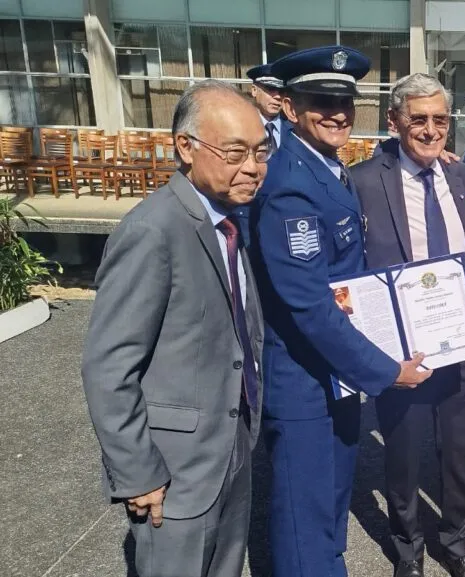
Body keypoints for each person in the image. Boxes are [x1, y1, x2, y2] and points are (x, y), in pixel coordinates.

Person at [247, 45, 433, 577]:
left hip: (334, 375)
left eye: (345, 103)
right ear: (290, 107)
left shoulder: (324, 166)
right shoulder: (290, 186)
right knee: (304, 517)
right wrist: (386, 370)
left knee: (329, 503)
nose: (337, 115)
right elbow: (310, 304)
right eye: (320, 102)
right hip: (304, 380)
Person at [81, 80, 270, 577]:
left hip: (230, 447)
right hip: (174, 472)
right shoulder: (152, 231)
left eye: (261, 151)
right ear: (186, 147)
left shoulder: (228, 221)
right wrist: (138, 473)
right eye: (235, 152)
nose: (253, 167)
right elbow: (109, 367)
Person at [350, 73, 465, 577]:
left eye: (439, 120)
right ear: (394, 122)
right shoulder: (364, 181)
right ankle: (408, 549)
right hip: (404, 350)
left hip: (460, 340)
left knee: (460, 452)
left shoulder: (461, 175)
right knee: (403, 455)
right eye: (419, 119)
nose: (430, 130)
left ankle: (457, 542)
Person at [246, 63, 288, 149]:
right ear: (254, 90)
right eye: (271, 89)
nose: (278, 96)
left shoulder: (296, 128)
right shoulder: (241, 125)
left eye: (282, 91)